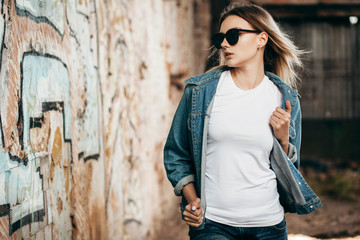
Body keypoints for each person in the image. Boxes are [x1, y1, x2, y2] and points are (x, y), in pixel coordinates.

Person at [163, 3, 322, 240]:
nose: (225, 44)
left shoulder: (284, 98)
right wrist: (192, 200)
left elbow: (290, 168)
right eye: (221, 38)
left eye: (233, 35)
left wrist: (283, 138)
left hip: (270, 225)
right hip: (213, 224)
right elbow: (176, 153)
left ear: (262, 39)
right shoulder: (200, 91)